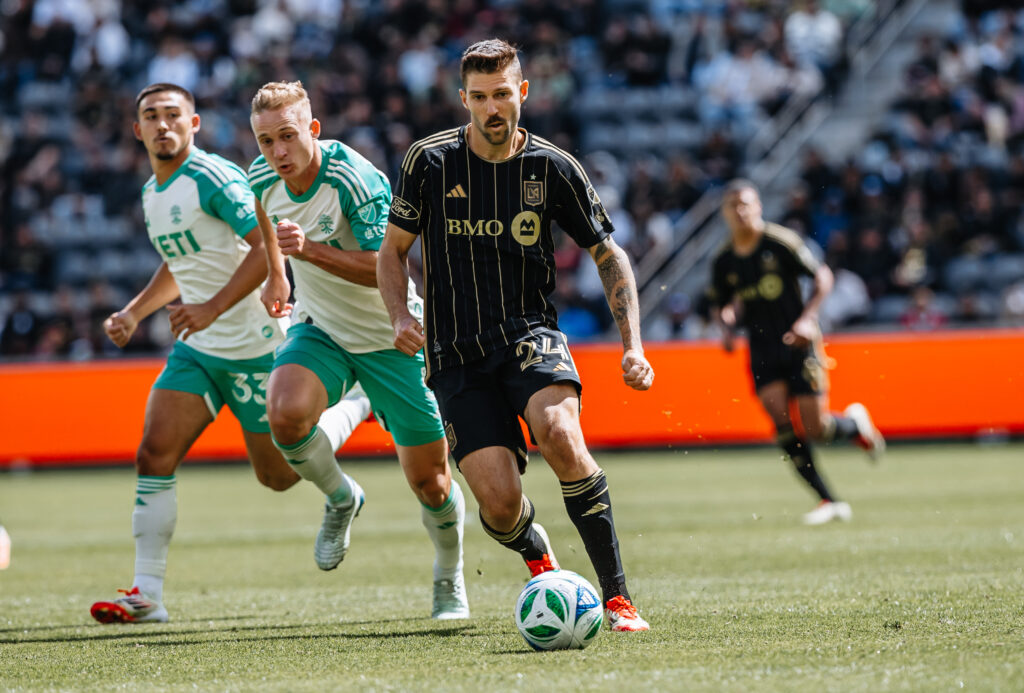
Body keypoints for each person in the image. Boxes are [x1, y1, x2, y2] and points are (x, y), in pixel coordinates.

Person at [377, 39, 653, 632]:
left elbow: (609, 255)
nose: (492, 108)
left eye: (502, 94)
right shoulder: (428, 162)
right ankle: (537, 554)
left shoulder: (553, 168)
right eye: (479, 98)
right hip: (453, 354)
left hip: (528, 335)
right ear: (464, 100)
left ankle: (617, 598)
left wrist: (632, 344)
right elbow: (392, 252)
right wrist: (400, 317)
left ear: (522, 92)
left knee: (560, 434)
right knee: (499, 509)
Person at [90, 84, 370, 624]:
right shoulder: (154, 192)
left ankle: (350, 428)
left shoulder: (213, 178)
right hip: (199, 350)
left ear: (194, 125)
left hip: (256, 347)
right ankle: (146, 593)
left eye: (174, 115)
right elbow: (182, 259)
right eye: (152, 116)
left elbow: (264, 248)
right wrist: (135, 312)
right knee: (153, 454)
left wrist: (214, 307)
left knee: (280, 477)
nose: (162, 124)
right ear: (138, 130)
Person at [248, 81, 468, 620]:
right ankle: (343, 497)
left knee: (431, 483)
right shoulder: (261, 176)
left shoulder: (356, 177)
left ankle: (448, 575)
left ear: (313, 130)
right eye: (265, 140)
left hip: (390, 334)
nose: (277, 152)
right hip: (321, 326)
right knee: (284, 414)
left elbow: (385, 266)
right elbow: (265, 218)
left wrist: (309, 252)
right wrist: (277, 274)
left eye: (287, 136)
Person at [708, 179, 885, 526]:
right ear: (724, 213)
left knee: (816, 427)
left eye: (746, 203)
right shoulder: (724, 259)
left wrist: (808, 319)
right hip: (761, 348)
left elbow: (822, 276)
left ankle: (853, 425)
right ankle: (828, 499)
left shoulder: (781, 242)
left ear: (758, 206)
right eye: (733, 206)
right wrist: (726, 326)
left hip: (798, 342)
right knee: (780, 421)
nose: (740, 211)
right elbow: (719, 303)